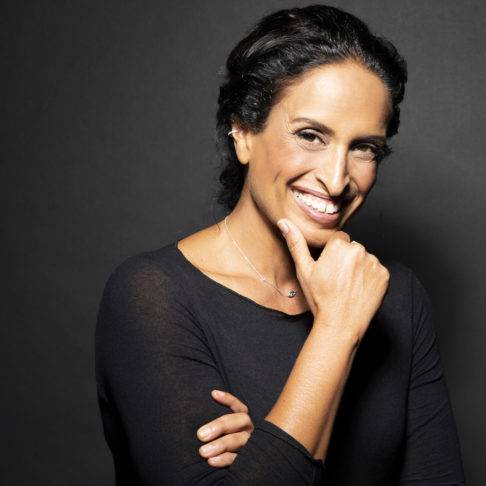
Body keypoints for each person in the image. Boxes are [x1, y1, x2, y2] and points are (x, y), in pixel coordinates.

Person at [95, 5, 465, 485]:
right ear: (244, 133)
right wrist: (337, 330)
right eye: (310, 136)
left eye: (364, 148)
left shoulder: (397, 297)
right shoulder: (152, 295)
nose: (337, 179)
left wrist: (267, 456)